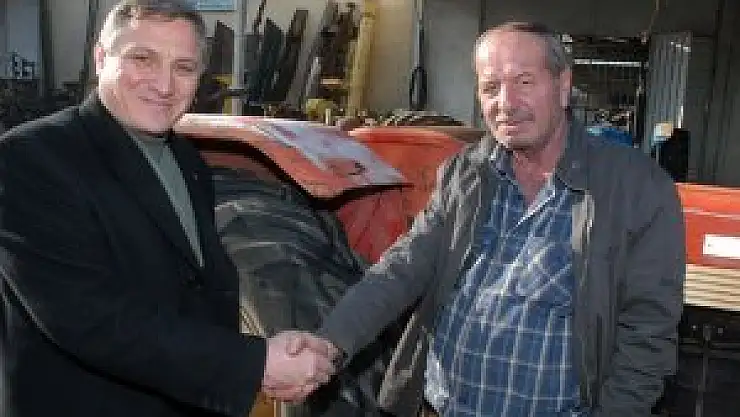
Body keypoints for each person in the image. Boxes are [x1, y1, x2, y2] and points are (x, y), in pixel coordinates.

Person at [288, 21, 686, 416]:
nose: (506, 103)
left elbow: (647, 333)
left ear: (563, 86)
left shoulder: (636, 187)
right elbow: (403, 267)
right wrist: (331, 341)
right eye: (491, 87)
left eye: (524, 82)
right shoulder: (467, 171)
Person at [0, 1, 335, 416]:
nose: (164, 85)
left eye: (184, 67)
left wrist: (263, 351)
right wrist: (252, 363)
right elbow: (87, 319)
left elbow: (202, 287)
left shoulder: (187, 160)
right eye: (143, 59)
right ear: (101, 58)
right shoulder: (30, 159)